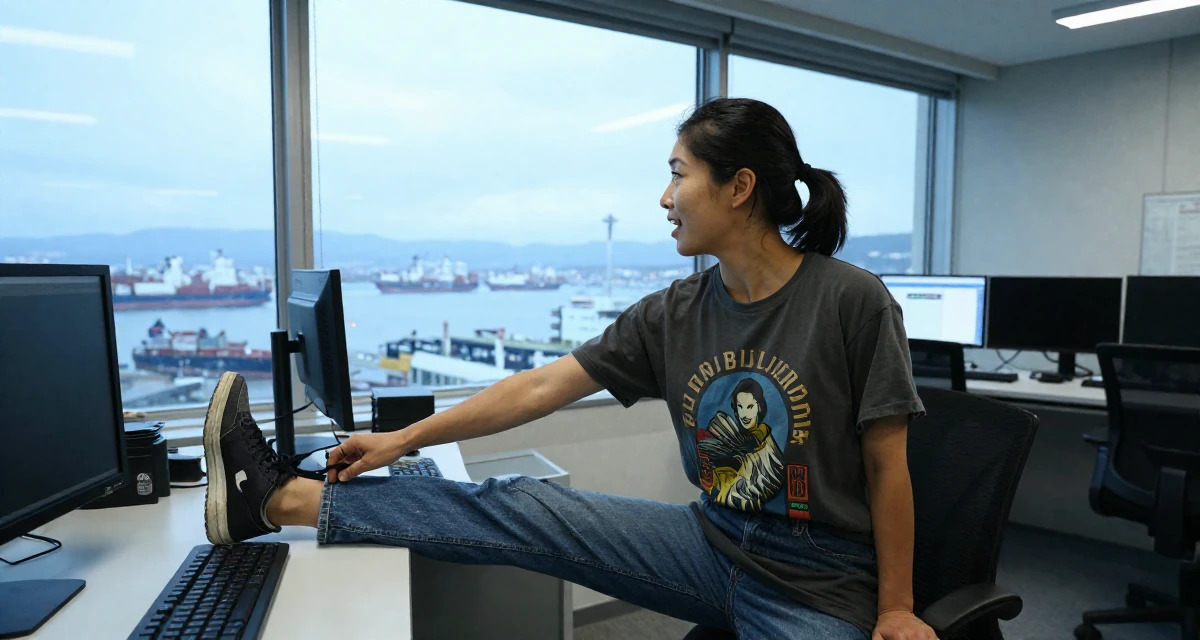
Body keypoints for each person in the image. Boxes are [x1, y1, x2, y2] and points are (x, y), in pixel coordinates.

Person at [201, 97, 933, 640]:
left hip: (818, 580)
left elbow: (887, 467)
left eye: (678, 175)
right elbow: (541, 386)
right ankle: (277, 501)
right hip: (711, 542)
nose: (665, 198)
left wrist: (897, 608)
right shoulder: (674, 312)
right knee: (519, 502)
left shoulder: (851, 300)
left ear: (739, 187)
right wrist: (403, 439)